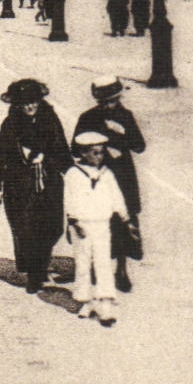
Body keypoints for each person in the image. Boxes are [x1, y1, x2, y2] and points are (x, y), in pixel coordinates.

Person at [0, 79, 72, 294]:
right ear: (16, 104)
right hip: (19, 185)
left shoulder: (51, 121)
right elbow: (1, 156)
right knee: (26, 229)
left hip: (49, 183)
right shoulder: (10, 125)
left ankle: (40, 265)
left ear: (39, 101)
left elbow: (63, 151)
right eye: (24, 103)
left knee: (53, 227)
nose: (29, 106)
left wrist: (67, 171)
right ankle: (36, 274)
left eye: (33, 101)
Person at [73, 77, 148, 294]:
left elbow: (139, 146)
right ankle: (99, 264)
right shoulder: (87, 118)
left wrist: (119, 135)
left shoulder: (125, 116)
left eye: (112, 101)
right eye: (104, 102)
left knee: (123, 220)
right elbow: (74, 148)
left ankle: (122, 269)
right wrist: (99, 150)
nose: (108, 105)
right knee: (98, 219)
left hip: (122, 174)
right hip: (96, 176)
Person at [64, 131, 130, 326]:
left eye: (101, 153)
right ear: (83, 153)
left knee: (103, 263)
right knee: (83, 263)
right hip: (82, 226)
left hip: (102, 225)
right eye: (94, 153)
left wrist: (125, 218)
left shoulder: (107, 174)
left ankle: (106, 304)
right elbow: (69, 200)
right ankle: (86, 301)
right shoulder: (73, 174)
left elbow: (117, 197)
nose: (99, 157)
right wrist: (74, 222)